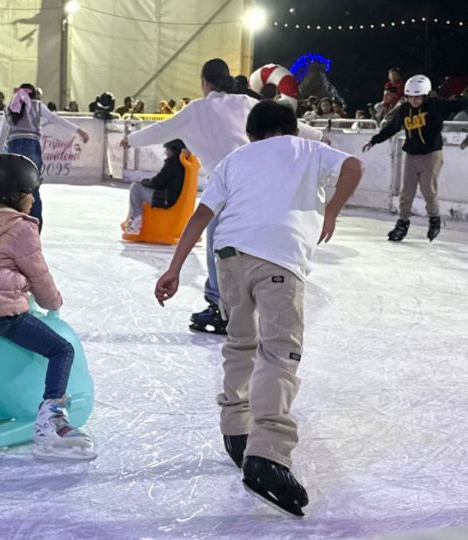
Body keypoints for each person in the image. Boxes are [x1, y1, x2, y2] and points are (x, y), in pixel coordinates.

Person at [155, 100, 363, 518]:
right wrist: (332, 213)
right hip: (279, 261)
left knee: (240, 345)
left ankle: (236, 430)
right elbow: (354, 166)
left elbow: (201, 216)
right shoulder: (306, 149)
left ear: (251, 134)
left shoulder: (236, 158)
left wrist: (173, 269)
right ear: (291, 128)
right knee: (279, 353)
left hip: (228, 257)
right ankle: (267, 452)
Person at [121, 58, 324, 335]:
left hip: (226, 189)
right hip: (263, 187)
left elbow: (160, 130)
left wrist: (130, 140)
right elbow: (282, 120)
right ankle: (255, 300)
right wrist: (317, 135)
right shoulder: (245, 102)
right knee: (258, 245)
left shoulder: (196, 110)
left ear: (205, 82)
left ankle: (219, 306)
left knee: (219, 245)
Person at [0, 153, 97, 461]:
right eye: (30, 194)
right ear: (16, 196)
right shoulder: (21, 228)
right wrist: (53, 303)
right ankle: (51, 416)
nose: (33, 200)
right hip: (5, 316)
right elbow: (39, 275)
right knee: (62, 350)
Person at [363, 75, 468, 242]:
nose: (414, 100)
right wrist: (375, 140)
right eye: (410, 96)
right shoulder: (404, 110)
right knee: (407, 192)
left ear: (425, 95)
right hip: (412, 155)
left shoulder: (435, 105)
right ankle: (402, 224)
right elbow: (393, 127)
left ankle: (434, 220)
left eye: (417, 96)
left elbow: (459, 103)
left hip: (431, 154)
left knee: (428, 190)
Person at [0, 83, 89, 232]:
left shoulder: (9, 108)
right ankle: (34, 229)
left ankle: (12, 227)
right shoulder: (37, 106)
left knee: (13, 189)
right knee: (33, 188)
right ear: (34, 95)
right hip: (32, 146)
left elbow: (1, 138)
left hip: (13, 147)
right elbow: (55, 119)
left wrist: (1, 158)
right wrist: (78, 130)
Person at [122, 139, 188, 233]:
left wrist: (144, 182)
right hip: (170, 197)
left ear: (173, 150)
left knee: (135, 187)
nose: (165, 152)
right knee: (138, 187)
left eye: (167, 149)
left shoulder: (172, 163)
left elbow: (157, 183)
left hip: (165, 198)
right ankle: (133, 220)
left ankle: (135, 222)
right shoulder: (181, 164)